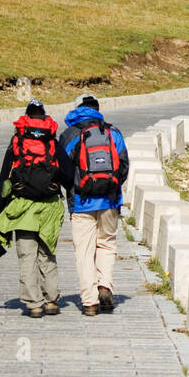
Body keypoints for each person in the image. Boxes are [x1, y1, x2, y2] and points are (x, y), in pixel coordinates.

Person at [0, 101, 65, 318]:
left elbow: (3, 181)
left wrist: (1, 213)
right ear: (44, 118)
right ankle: (51, 300)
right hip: (49, 208)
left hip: (22, 208)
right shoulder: (52, 142)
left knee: (27, 256)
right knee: (47, 253)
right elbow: (68, 174)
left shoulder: (17, 142)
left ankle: (34, 304)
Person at [57, 94, 129, 317]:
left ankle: (89, 302)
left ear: (77, 108)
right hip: (109, 200)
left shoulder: (69, 134)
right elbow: (124, 166)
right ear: (97, 109)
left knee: (84, 252)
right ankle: (105, 286)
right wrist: (112, 187)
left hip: (81, 202)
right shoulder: (112, 132)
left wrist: (73, 190)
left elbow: (63, 171)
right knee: (106, 244)